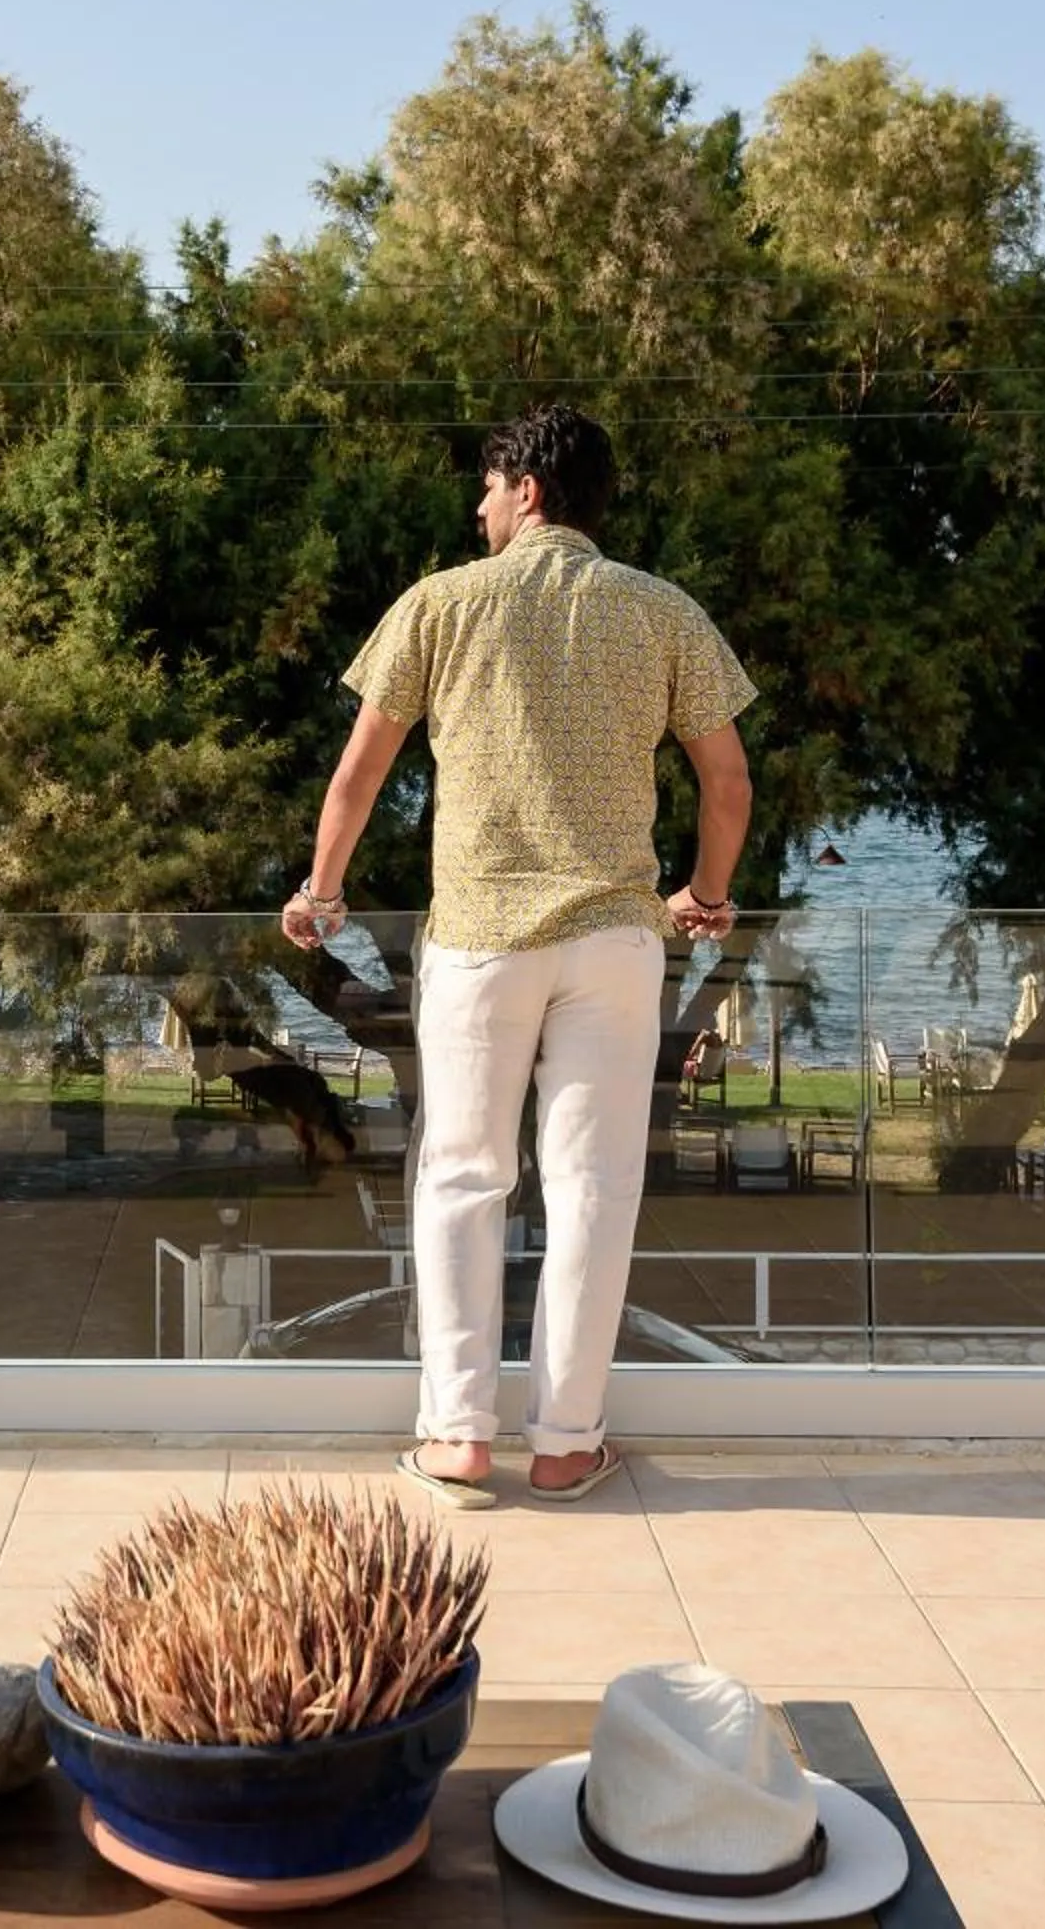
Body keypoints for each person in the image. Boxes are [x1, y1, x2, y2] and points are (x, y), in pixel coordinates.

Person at [282, 403, 755, 1507]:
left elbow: (357, 776)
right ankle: (566, 1442)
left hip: (481, 937)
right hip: (615, 939)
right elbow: (727, 786)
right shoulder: (664, 612)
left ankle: (456, 1435)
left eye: (490, 487)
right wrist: (708, 895)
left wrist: (322, 891)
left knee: (461, 1174)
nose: (478, 504)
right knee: (592, 1188)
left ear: (528, 490)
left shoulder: (441, 604)